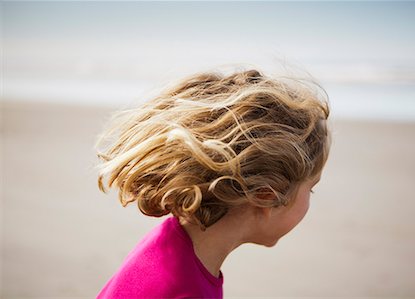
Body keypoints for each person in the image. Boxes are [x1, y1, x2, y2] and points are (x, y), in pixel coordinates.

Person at [94, 67, 331, 298]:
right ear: (267, 195)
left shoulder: (171, 242)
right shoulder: (185, 290)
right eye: (311, 188)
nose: (311, 196)